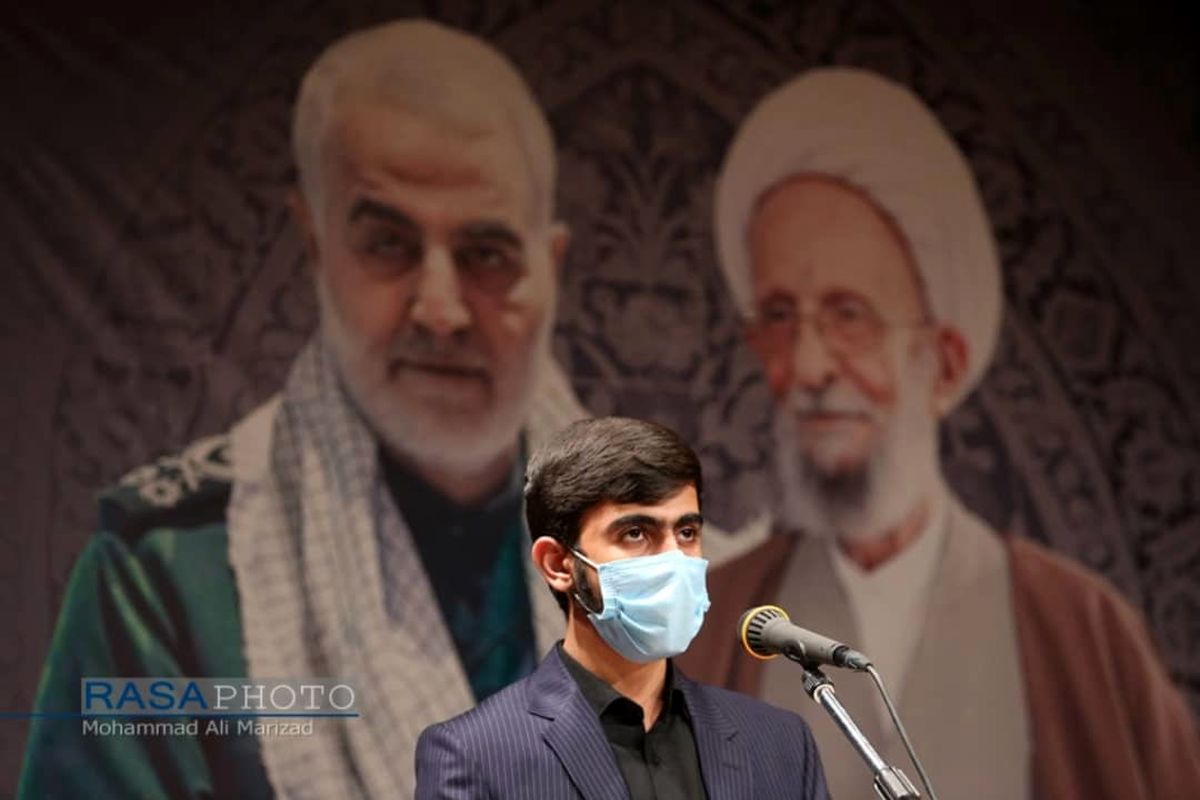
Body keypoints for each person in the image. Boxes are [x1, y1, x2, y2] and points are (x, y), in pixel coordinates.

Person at [19, 20, 586, 799]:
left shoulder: (665, 563)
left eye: (486, 253)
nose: (442, 310)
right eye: (388, 244)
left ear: (549, 266)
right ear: (316, 246)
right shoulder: (169, 579)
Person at [678, 68, 1200, 800]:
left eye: (848, 315)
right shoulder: (716, 623)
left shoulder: (1081, 630)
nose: (809, 366)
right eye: (780, 318)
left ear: (945, 362)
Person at [414, 416, 831, 799]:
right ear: (558, 564)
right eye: (635, 533)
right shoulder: (475, 755)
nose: (673, 559)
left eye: (687, 532)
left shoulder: (779, 743)